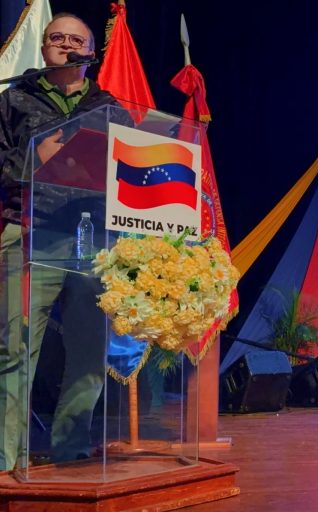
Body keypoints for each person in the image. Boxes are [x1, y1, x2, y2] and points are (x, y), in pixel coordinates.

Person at [0, 13, 117, 470]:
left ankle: (72, 449)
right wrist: (33, 161)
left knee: (90, 351)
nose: (65, 45)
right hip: (30, 232)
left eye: (75, 39)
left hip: (92, 239)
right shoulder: (14, 100)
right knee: (15, 349)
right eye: (56, 38)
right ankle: (7, 456)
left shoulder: (109, 107)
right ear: (45, 48)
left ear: (90, 52)